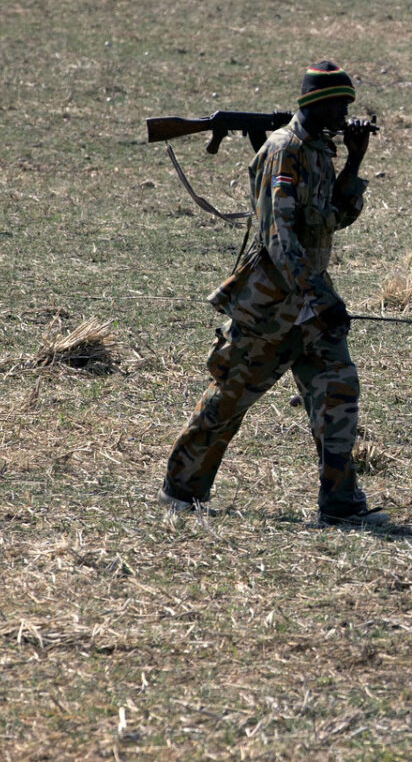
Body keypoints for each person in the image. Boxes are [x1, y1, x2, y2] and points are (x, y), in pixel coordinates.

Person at [161, 60, 390, 528]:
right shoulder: (282, 151)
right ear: (316, 104)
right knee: (229, 399)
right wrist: (316, 297)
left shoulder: (320, 152)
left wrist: (355, 161)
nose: (346, 113)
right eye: (339, 105)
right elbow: (278, 236)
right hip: (271, 306)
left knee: (338, 393)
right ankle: (181, 489)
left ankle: (340, 504)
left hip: (312, 306)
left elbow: (335, 218)